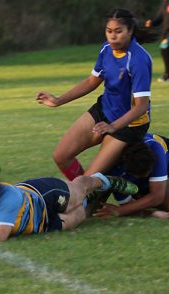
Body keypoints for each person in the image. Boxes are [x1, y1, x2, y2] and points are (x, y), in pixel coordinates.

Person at [0, 147, 139, 243]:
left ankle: (104, 180)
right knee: (81, 214)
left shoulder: (7, 196)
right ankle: (103, 193)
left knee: (79, 188)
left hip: (44, 196)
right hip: (41, 224)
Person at [37, 9, 155, 181]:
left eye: (118, 31)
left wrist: (113, 127)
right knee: (61, 156)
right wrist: (58, 100)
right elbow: (92, 82)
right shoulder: (106, 49)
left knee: (87, 181)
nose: (112, 37)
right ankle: (91, 201)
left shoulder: (139, 59)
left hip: (128, 126)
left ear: (130, 31)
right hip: (104, 111)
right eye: (109, 31)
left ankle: (89, 197)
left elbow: (141, 106)